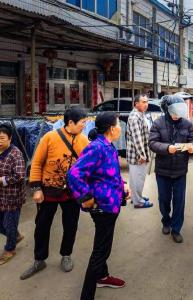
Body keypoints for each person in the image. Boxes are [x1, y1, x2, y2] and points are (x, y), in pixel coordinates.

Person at [67, 112, 131, 300]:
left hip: (111, 204)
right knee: (100, 251)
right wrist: (85, 196)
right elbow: (74, 174)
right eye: (118, 124)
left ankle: (102, 276)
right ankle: (87, 296)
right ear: (112, 128)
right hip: (102, 207)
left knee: (104, 244)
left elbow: (109, 174)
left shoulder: (108, 146)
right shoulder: (97, 147)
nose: (120, 127)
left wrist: (122, 186)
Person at [21, 107, 89, 280]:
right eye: (82, 122)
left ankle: (66, 255)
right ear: (70, 122)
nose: (85, 125)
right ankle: (39, 259)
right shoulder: (49, 137)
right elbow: (36, 164)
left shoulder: (84, 141)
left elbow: (88, 167)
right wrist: (36, 189)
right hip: (48, 191)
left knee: (71, 225)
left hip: (71, 193)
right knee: (42, 226)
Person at [149, 95, 193, 243]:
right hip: (163, 170)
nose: (177, 116)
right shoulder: (158, 123)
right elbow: (152, 142)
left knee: (179, 201)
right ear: (167, 110)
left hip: (180, 170)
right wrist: (166, 148)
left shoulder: (187, 124)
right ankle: (166, 221)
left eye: (179, 113)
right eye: (174, 113)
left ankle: (176, 229)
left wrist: (192, 147)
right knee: (163, 199)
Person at [0, 123, 25, 265]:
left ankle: (10, 249)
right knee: (3, 223)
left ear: (10, 139)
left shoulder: (15, 154)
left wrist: (2, 180)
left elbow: (20, 175)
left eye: (2, 138)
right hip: (1, 196)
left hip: (12, 197)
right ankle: (14, 235)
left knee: (9, 223)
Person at [126, 94, 153, 209]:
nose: (146, 104)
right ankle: (138, 202)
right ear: (136, 103)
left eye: (147, 101)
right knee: (138, 178)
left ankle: (135, 197)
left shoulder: (140, 115)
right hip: (138, 155)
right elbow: (138, 139)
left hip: (136, 154)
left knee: (134, 178)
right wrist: (142, 155)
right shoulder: (135, 117)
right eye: (143, 102)